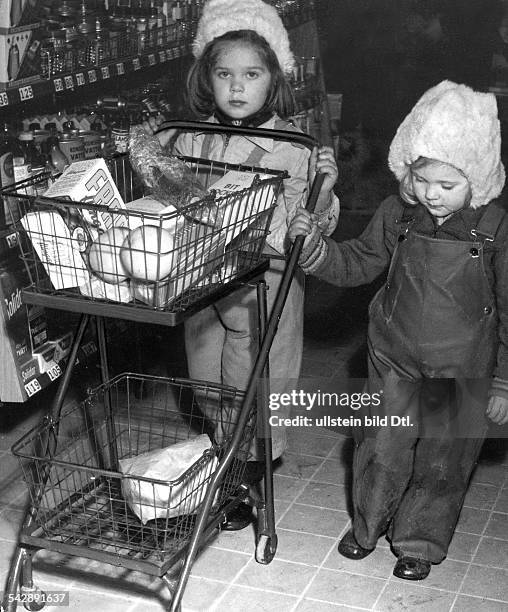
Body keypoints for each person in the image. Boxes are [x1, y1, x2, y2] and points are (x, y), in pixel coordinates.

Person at [288, 80, 508, 580]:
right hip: (395, 354)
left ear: (477, 178)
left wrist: (502, 380)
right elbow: (360, 262)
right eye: (423, 179)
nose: (432, 194)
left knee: (441, 458)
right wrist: (319, 251)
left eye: (448, 185)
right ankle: (368, 524)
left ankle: (419, 540)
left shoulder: (495, 230)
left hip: (460, 363)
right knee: (381, 443)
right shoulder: (398, 215)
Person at [142, 0, 340, 529]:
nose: (236, 87)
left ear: (273, 78)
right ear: (206, 77)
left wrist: (324, 192)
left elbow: (315, 220)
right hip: (206, 280)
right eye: (223, 73)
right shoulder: (188, 135)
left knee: (263, 382)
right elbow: (166, 191)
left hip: (268, 282)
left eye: (250, 74)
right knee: (208, 381)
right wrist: (150, 157)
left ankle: (247, 476)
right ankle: (230, 456)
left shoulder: (295, 146)